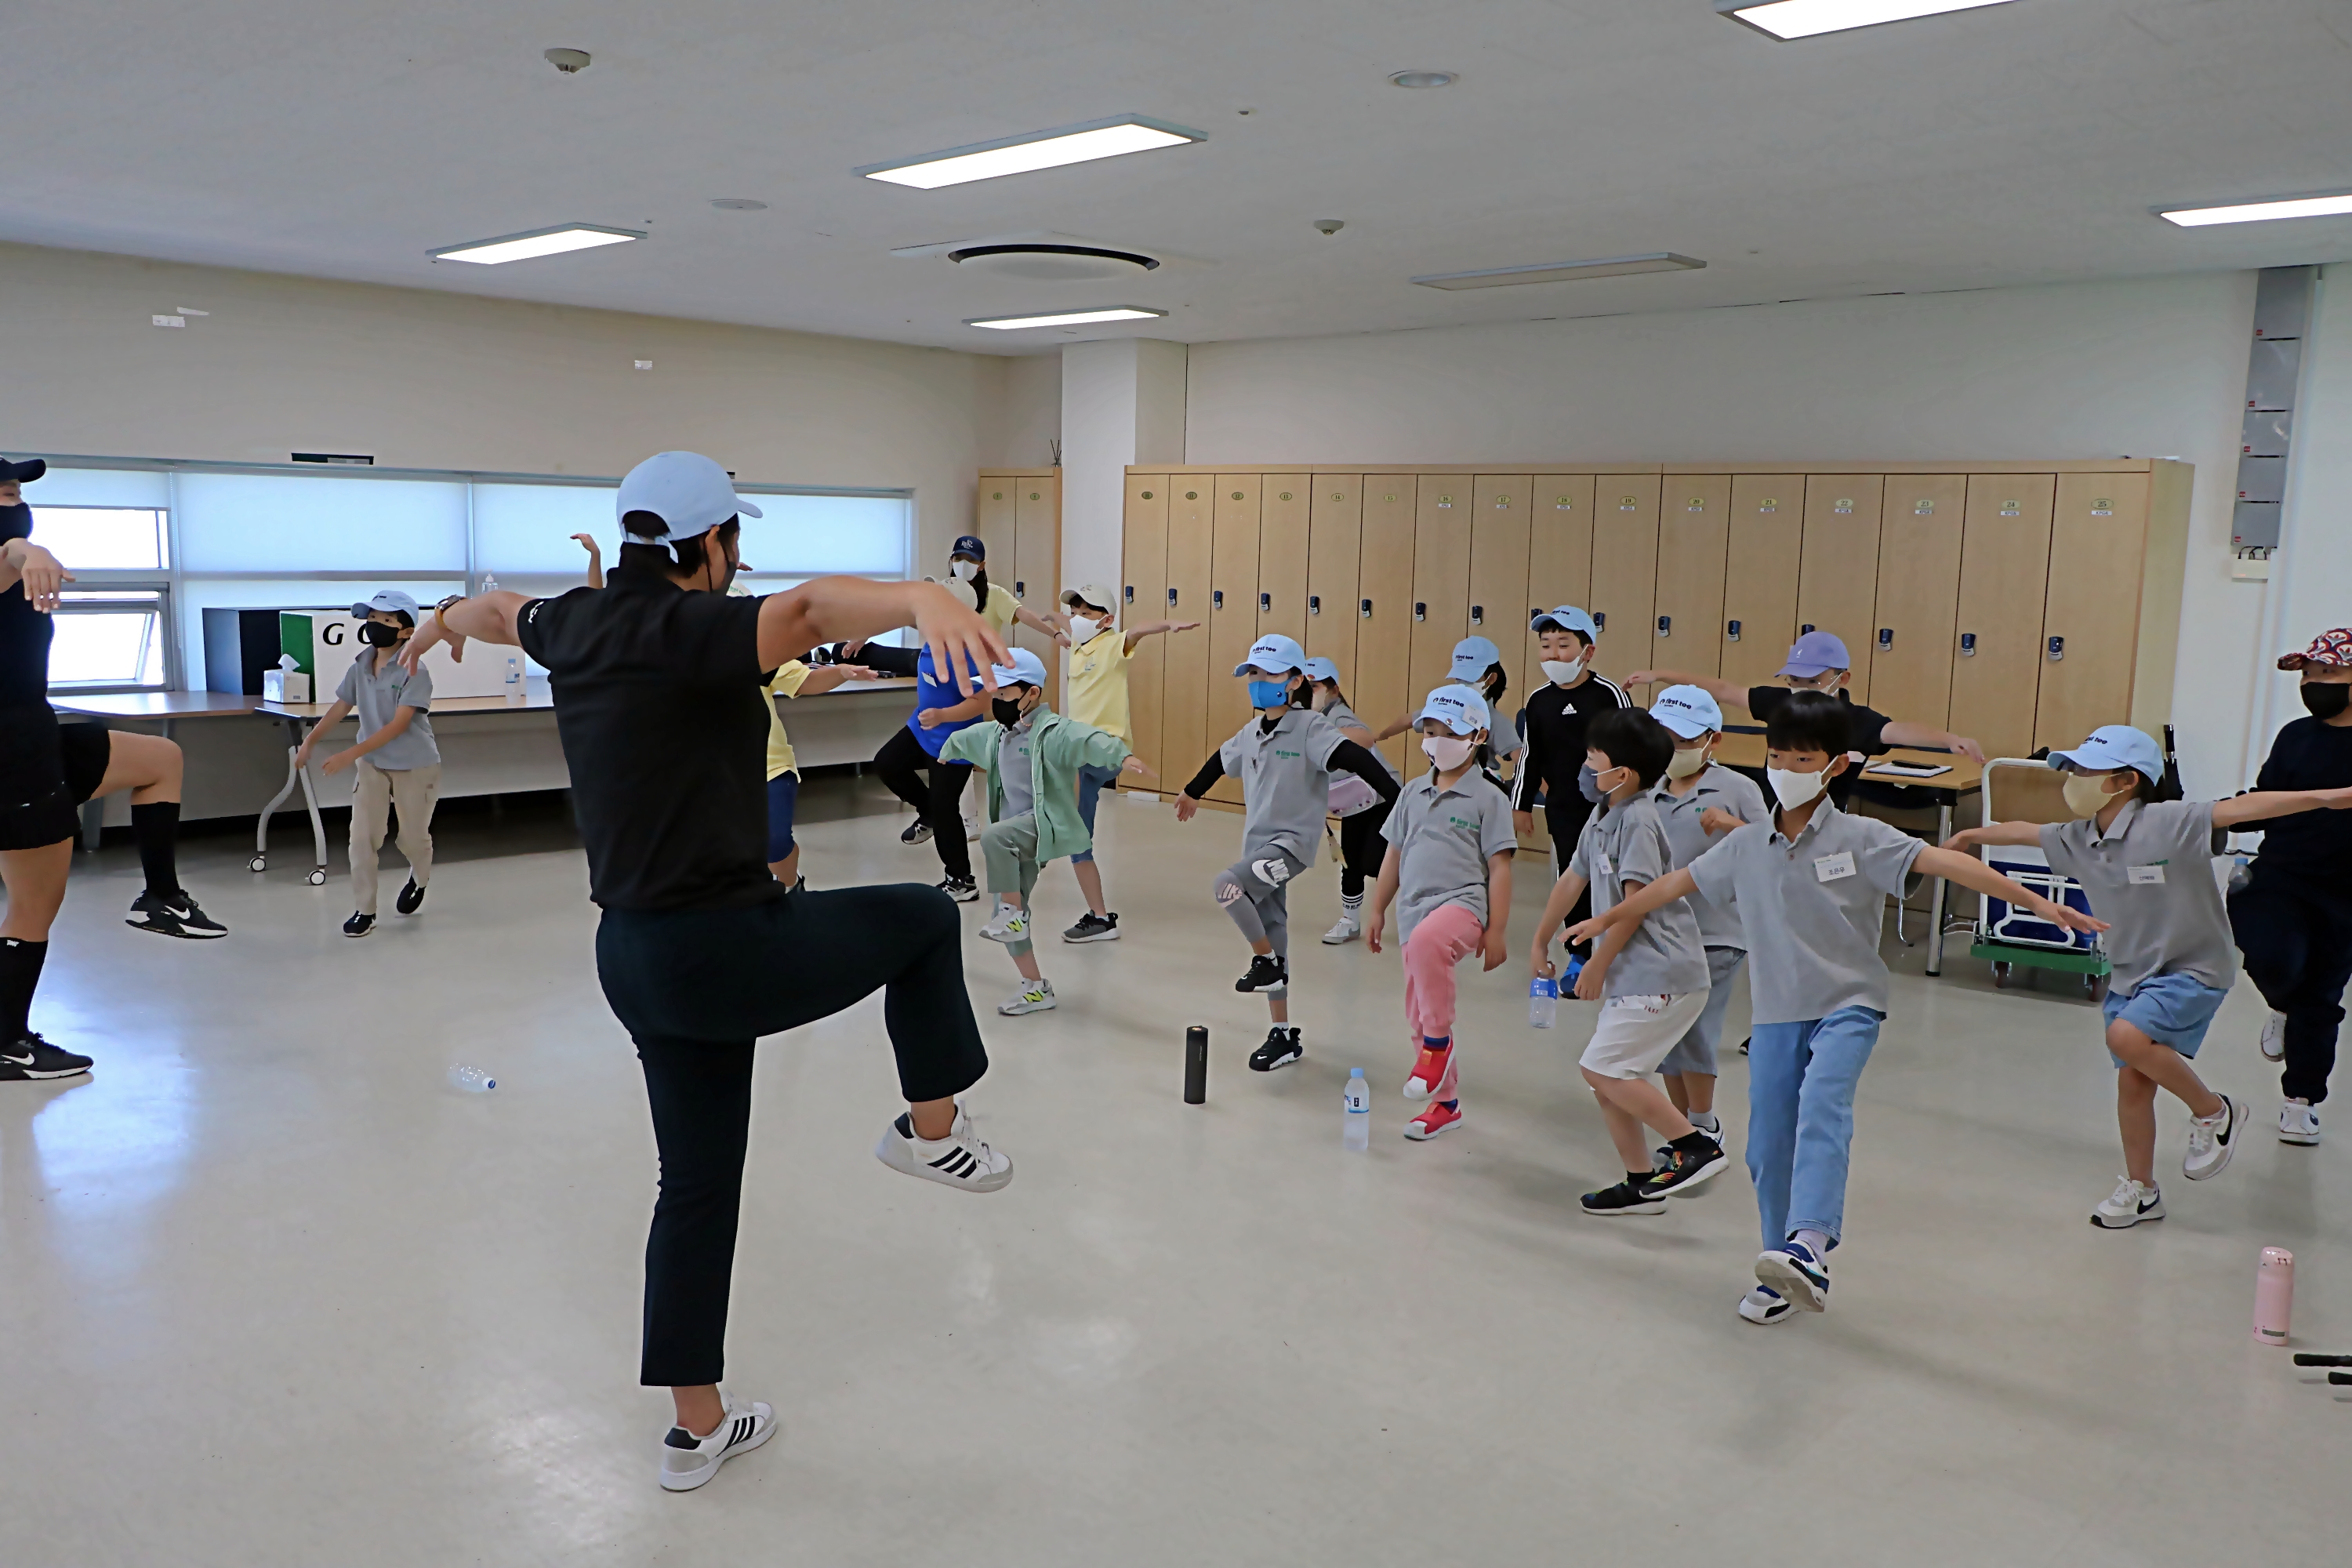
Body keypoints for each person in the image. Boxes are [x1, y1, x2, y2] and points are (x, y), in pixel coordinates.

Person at [399, 450, 1017, 1493]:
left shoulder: (576, 623)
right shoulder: (700, 629)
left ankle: (696, 1430)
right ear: (714, 542)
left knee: (693, 1186)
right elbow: (810, 609)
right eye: (737, 541)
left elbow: (498, 611)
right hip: (726, 948)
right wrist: (922, 596)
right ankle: (930, 1130)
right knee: (920, 916)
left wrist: (438, 620)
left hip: (632, 958)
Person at [1570, 691, 2103, 1324]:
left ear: (1835, 765)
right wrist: (1606, 919)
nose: (1785, 769)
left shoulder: (1862, 837)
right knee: (1767, 1145)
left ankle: (1810, 1246)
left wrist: (2039, 902)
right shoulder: (1747, 845)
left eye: (1802, 759)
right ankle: (1781, 1267)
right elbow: (1671, 885)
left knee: (1823, 1106)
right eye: (1776, 756)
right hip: (1777, 1013)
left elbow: (1947, 863)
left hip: (1847, 1005)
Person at [1947, 725, 2352, 1226]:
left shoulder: (2169, 821)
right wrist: (1969, 836)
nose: (2073, 779)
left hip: (2193, 968)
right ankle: (2142, 1190)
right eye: (2072, 769)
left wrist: (2329, 797)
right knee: (2134, 1085)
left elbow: (2248, 808)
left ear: (2126, 781)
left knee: (2126, 1036)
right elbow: (2024, 831)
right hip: (2131, 976)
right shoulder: (2078, 838)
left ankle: (2215, 1111)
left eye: (2086, 770)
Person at [2, 461, 228, 1083]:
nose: (13, 505)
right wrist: (26, 549)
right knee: (33, 906)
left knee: (160, 760)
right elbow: (11, 555)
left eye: (15, 493)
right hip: (13, 760)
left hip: (38, 734)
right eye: (1, 496)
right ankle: (7, 1043)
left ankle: (159, 898)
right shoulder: (14, 558)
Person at [1527, 708, 1730, 1215]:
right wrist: (1540, 939)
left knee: (1603, 1069)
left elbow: (1636, 905)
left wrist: (1597, 963)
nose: (1585, 766)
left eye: (1594, 758)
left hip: (1663, 972)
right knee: (1608, 1078)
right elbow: (1571, 879)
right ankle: (1641, 1183)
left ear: (1625, 773)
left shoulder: (1638, 820)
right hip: (1635, 975)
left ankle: (1696, 1146)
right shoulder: (1603, 815)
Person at [1174, 633, 1402, 1072]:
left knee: (1227, 886)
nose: (1258, 682)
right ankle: (1281, 1034)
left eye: (1269, 674)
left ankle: (1265, 961)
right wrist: (1192, 791)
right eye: (1253, 674)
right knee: (1274, 927)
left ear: (1296, 680)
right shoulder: (1252, 732)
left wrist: (1397, 798)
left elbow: (1356, 757)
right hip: (1258, 847)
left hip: (1291, 846)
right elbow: (1222, 759)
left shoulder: (1310, 727)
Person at [940, 646, 1155, 1014]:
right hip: (1015, 834)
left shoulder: (1054, 731)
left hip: (1042, 824)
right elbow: (969, 737)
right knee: (1005, 915)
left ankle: (1014, 913)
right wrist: (948, 749)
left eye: (1005, 693)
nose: (997, 700)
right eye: (994, 693)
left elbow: (1088, 738)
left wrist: (1123, 756)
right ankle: (1036, 987)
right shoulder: (999, 733)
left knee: (994, 838)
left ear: (1032, 693)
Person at [1363, 684, 1516, 1140]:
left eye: (1450, 732)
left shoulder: (1489, 797)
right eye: (1430, 732)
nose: (1437, 741)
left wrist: (1497, 929)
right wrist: (1377, 909)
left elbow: (1500, 868)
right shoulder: (1412, 792)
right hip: (1414, 912)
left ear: (1478, 737)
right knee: (1419, 1009)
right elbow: (1393, 855)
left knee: (1431, 949)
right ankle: (1446, 1103)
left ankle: (1437, 1044)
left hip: (1464, 906)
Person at [1632, 629, 1986, 808]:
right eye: (1794, 680)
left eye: (1813, 681)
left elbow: (1898, 731)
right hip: (1771, 816)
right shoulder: (1779, 703)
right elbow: (1724, 690)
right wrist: (1661, 675)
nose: (1801, 689)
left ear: (1841, 679)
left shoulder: (1852, 719)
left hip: (1824, 823)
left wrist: (1949, 740)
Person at [2230, 629, 2352, 1145]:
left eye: (2326, 672)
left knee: (2321, 996)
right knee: (2273, 960)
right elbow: (2267, 799)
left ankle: (2300, 1102)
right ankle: (2280, 1004)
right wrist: (2214, 815)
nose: (2312, 682)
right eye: (2307, 674)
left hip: (2345, 892)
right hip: (2281, 875)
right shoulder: (2295, 736)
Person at [1644, 685, 1771, 1147]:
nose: (1674, 749)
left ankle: (1703, 1124)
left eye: (1685, 740)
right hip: (1660, 930)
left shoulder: (1738, 788)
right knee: (1667, 1030)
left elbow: (1776, 850)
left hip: (1718, 931)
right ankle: (1683, 1128)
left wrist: (1732, 825)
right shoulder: (1647, 789)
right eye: (1665, 739)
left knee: (1697, 1028)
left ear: (1712, 740)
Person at [1046, 582, 1196, 942]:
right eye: (1075, 612)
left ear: (1107, 619)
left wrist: (1168, 624)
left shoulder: (1114, 645)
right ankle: (1099, 917)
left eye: (1086, 613)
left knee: (1056, 768)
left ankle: (1050, 828)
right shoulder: (1078, 644)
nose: (1077, 619)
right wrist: (1052, 620)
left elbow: (1139, 630)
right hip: (1080, 752)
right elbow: (1062, 623)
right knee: (1078, 841)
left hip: (1106, 751)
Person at [293, 591, 440, 937]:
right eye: (372, 618)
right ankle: (365, 910)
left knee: (413, 838)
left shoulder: (414, 670)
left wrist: (349, 754)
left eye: (387, 620)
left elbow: (398, 725)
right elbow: (340, 707)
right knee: (361, 839)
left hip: (415, 764)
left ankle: (419, 879)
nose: (376, 625)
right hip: (373, 764)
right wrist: (310, 741)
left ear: (406, 632)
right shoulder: (359, 666)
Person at [1512, 607, 1630, 956]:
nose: (1553, 654)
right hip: (1562, 807)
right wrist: (1520, 805)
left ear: (1587, 652)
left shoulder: (1609, 695)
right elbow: (1530, 756)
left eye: (1563, 645)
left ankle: (1613, 949)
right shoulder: (1538, 701)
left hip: (1609, 808)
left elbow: (1632, 748)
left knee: (1610, 876)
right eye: (1546, 645)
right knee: (1571, 875)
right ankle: (1579, 954)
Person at [869, 641, 987, 900]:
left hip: (956, 740)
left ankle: (961, 882)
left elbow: (982, 702)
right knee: (888, 763)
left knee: (944, 806)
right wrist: (861, 638)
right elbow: (899, 617)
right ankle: (928, 812)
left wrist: (943, 716)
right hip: (922, 729)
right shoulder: (931, 637)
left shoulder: (968, 654)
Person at [1302, 655, 1400, 944]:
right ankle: (1350, 921)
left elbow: (1365, 738)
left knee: (1375, 863)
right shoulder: (1304, 719)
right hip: (1353, 802)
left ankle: (1426, 897)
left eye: (1315, 687)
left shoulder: (1338, 714)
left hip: (1383, 797)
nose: (1309, 694)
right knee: (1350, 862)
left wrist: (1320, 733)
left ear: (1333, 689)